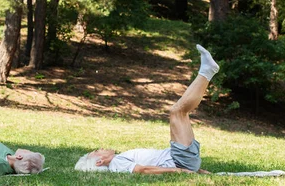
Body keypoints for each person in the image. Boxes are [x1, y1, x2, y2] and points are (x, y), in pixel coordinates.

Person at [74, 44, 219, 174]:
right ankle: (207, 71)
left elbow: (151, 163)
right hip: (180, 160)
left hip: (180, 159)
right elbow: (144, 170)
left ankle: (207, 71)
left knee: (181, 112)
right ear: (99, 162)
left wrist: (195, 170)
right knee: (177, 112)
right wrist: (180, 171)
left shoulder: (118, 161)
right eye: (96, 151)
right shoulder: (116, 164)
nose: (100, 148)